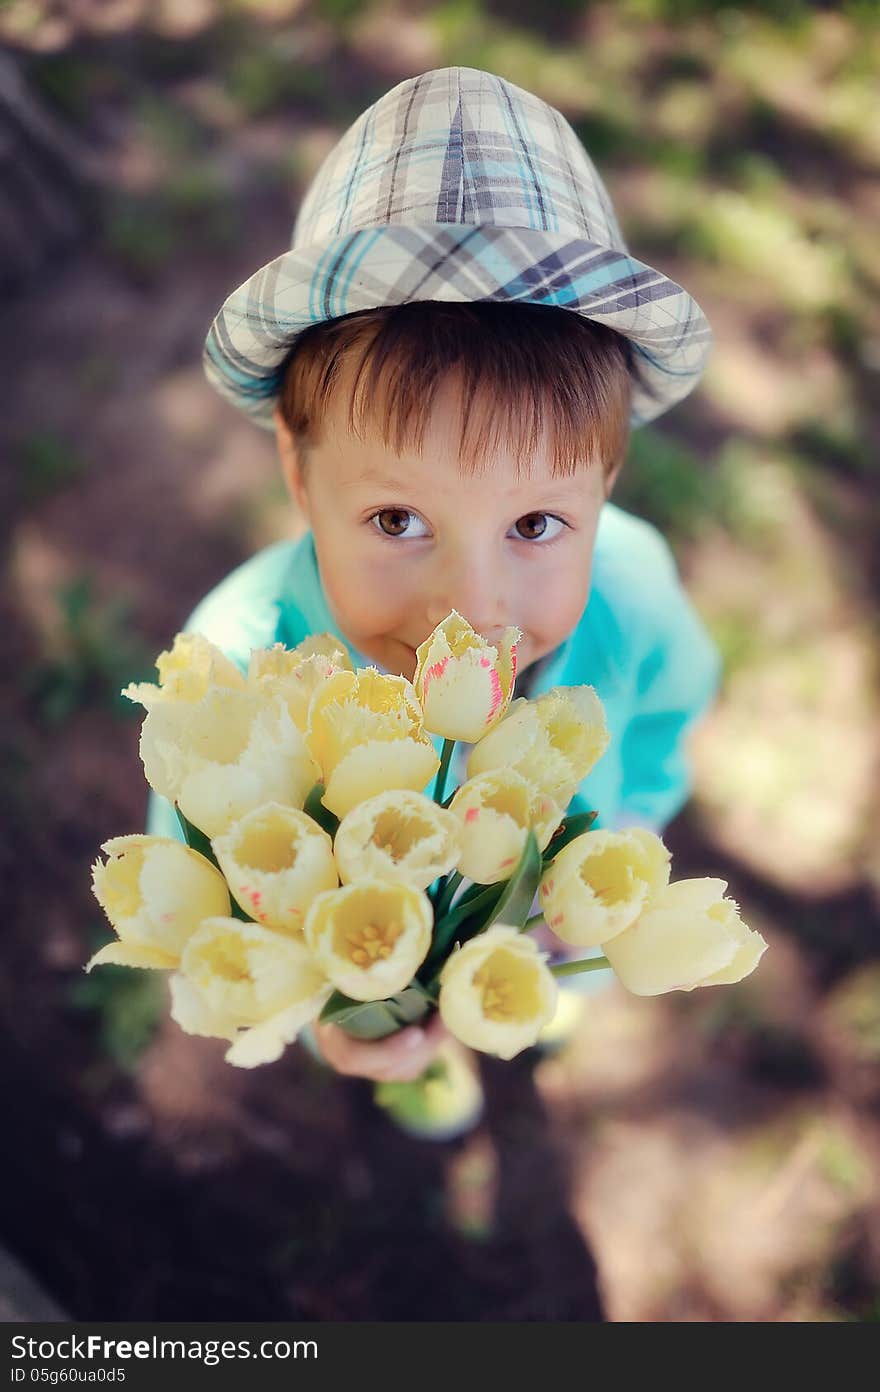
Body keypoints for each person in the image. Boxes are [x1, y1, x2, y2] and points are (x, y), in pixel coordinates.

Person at [143, 66, 721, 1139]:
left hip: (548, 943)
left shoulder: (634, 598)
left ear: (606, 485)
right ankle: (422, 1064)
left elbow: (667, 717)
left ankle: (527, 1022)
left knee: (533, 1013)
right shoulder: (235, 671)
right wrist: (323, 1006)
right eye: (398, 521)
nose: (470, 614)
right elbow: (209, 871)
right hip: (362, 957)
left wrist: (619, 843)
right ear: (299, 469)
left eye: (536, 525)